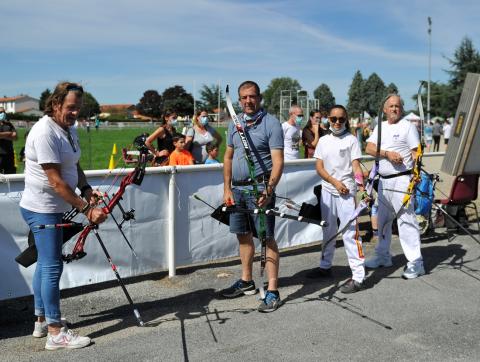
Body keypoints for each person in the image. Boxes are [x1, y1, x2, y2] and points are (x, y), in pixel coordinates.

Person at [19, 82, 108, 350]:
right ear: (56, 104)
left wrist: (87, 188)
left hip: (51, 208)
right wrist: (87, 209)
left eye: (78, 109)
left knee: (46, 263)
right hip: (42, 208)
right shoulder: (45, 132)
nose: (75, 113)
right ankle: (56, 332)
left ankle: (41, 320)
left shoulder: (67, 129)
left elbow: (74, 163)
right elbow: (56, 182)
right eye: (70, 108)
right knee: (52, 265)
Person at [221, 80, 284, 312]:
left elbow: (278, 162)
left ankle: (273, 290)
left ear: (260, 97)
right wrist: (227, 188)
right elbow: (228, 157)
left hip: (260, 191)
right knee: (243, 236)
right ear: (239, 100)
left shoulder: (271, 123)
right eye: (244, 97)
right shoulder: (234, 124)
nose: (248, 101)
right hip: (237, 191)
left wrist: (268, 190)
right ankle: (247, 281)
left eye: (252, 96)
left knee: (266, 239)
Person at [364, 94, 425, 279]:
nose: (394, 109)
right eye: (390, 106)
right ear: (384, 109)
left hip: (402, 180)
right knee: (382, 220)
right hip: (384, 181)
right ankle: (383, 256)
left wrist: (417, 174)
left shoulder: (407, 127)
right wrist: (387, 154)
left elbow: (417, 153)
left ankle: (416, 262)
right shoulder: (380, 126)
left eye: (397, 106)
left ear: (402, 108)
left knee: (406, 220)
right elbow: (369, 148)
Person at [307, 105, 366, 293]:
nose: (337, 122)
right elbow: (319, 167)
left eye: (341, 119)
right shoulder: (323, 141)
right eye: (333, 119)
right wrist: (334, 182)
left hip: (346, 192)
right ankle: (325, 267)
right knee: (328, 230)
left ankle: (358, 276)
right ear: (328, 119)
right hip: (328, 190)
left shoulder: (351, 140)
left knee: (350, 232)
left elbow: (356, 166)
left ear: (346, 119)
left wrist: (360, 183)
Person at [0, 106, 18, 174]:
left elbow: (15, 137)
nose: (3, 114)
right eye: (1, 112)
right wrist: (9, 133)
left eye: (4, 112)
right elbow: (12, 135)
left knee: (11, 175)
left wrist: (2, 135)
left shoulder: (9, 124)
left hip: (9, 154)